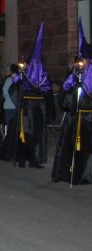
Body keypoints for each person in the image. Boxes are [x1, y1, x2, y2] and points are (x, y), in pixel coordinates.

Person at [3, 22, 52, 168]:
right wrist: (20, 103)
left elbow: (47, 91)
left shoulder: (43, 77)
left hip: (38, 111)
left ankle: (34, 158)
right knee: (24, 135)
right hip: (26, 111)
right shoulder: (22, 76)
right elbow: (13, 90)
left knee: (36, 135)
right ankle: (22, 158)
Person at [52, 20, 92, 184]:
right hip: (73, 118)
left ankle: (86, 175)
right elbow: (63, 96)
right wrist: (75, 85)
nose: (81, 62)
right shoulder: (73, 74)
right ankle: (68, 173)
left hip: (89, 118)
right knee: (69, 148)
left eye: (84, 59)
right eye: (79, 60)